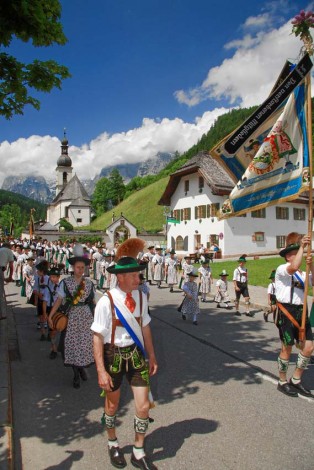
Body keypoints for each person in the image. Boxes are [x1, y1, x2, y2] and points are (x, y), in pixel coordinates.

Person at [91, 238, 158, 470]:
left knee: (143, 406)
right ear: (121, 277)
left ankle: (138, 451)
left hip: (136, 355)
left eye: (139, 275)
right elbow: (97, 338)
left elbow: (145, 326)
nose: (139, 279)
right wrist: (100, 370)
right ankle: (112, 442)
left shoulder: (141, 297)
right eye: (135, 276)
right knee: (112, 406)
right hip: (113, 356)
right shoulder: (106, 302)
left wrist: (152, 355)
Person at [48, 244, 96, 389]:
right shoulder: (65, 283)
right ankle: (76, 374)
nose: (80, 270)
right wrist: (51, 316)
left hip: (86, 318)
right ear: (73, 267)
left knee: (85, 345)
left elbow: (93, 302)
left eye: (82, 267)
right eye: (78, 267)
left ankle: (81, 368)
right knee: (72, 346)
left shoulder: (89, 283)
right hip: (72, 318)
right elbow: (59, 300)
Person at [275, 232, 314, 397]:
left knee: (309, 347)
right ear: (286, 257)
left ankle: (296, 379)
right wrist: (303, 248)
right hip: (286, 311)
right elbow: (294, 267)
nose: (295, 254)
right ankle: (282, 381)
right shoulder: (282, 269)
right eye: (291, 253)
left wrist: (311, 264)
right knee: (287, 348)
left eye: (296, 252)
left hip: (301, 310)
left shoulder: (304, 273)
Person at [42, 267, 61, 359]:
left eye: (55, 277)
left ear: (59, 277)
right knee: (52, 331)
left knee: (60, 329)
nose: (53, 279)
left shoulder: (62, 287)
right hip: (50, 310)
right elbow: (45, 301)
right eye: (51, 277)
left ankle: (61, 347)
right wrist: (45, 313)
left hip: (60, 310)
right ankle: (53, 349)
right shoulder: (47, 288)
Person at [0, 242, 14, 320]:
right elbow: (11, 266)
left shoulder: (1, 250)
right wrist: (10, 277)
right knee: (1, 293)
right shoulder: (8, 251)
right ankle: (3, 314)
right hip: (0, 270)